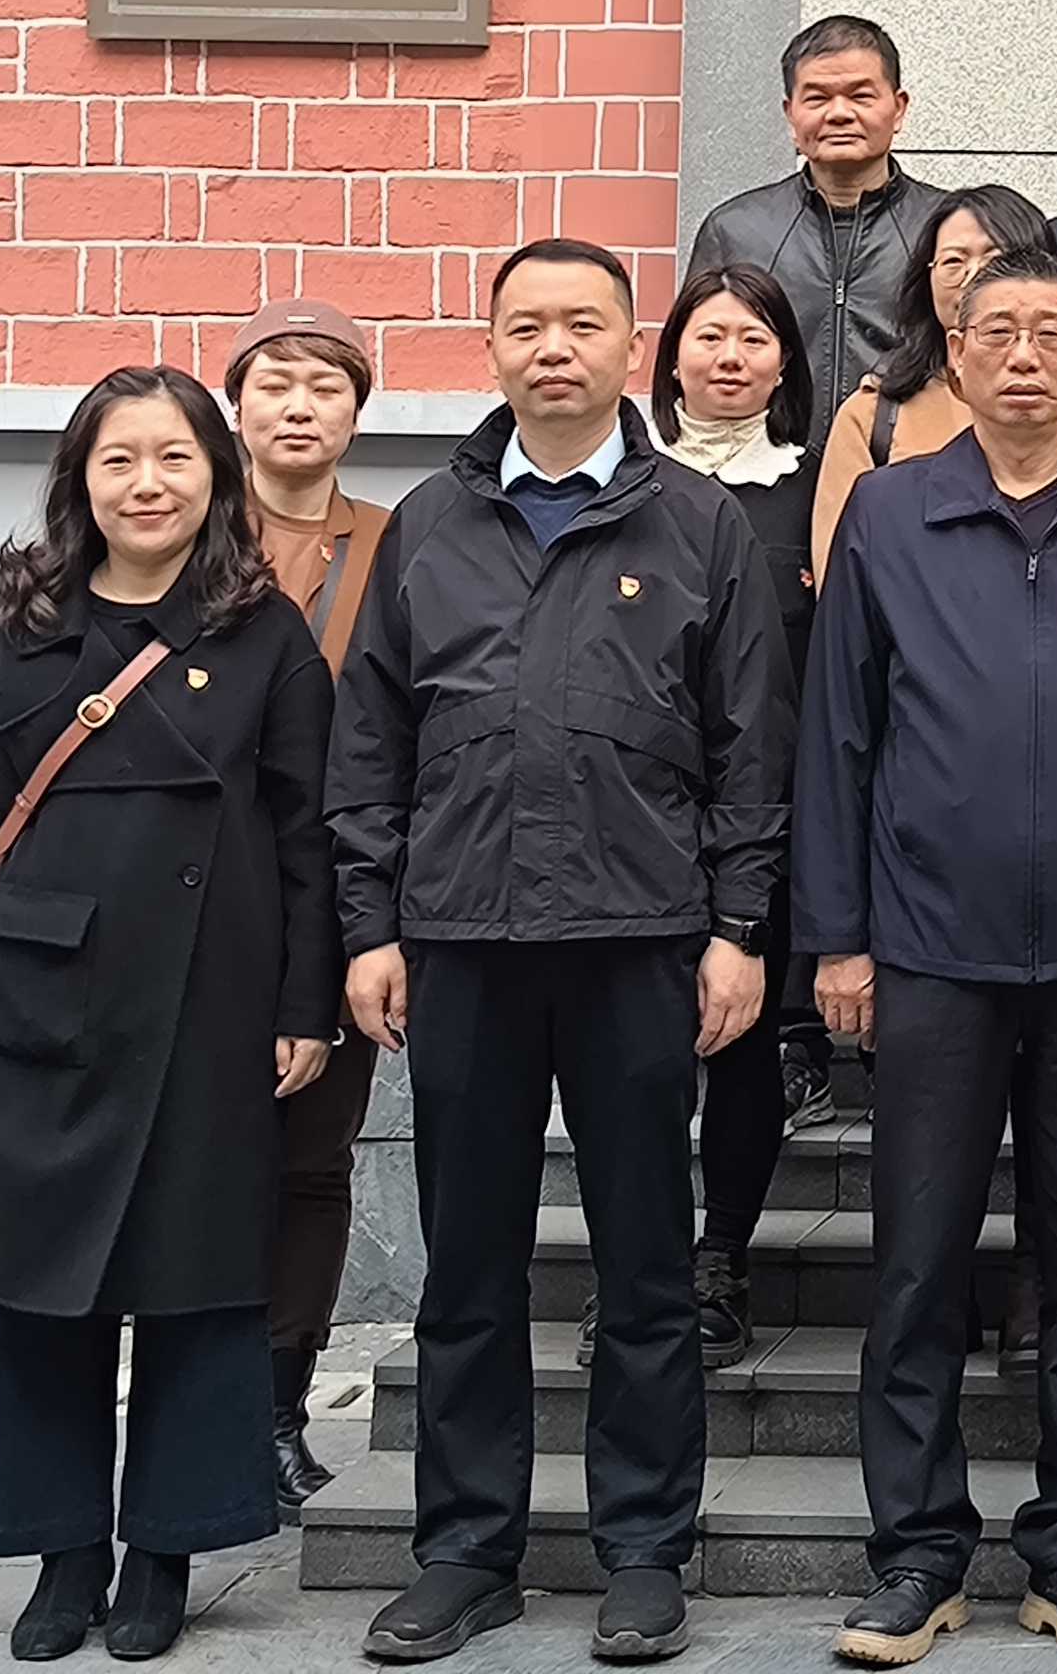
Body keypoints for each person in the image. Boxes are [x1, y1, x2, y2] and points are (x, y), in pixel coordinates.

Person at [327, 240, 791, 1670]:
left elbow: (751, 750)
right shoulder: (428, 527)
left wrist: (737, 929)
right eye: (525, 325)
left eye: (582, 324)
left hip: (639, 940)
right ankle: (466, 1552)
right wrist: (369, 925)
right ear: (490, 348)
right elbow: (371, 743)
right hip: (460, 938)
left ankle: (644, 1553)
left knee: (646, 1269)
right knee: (469, 1268)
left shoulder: (701, 524)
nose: (553, 349)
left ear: (627, 345)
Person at [797, 247, 1057, 1671]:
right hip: (928, 946)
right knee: (916, 1262)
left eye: (1051, 334)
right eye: (998, 333)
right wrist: (838, 936)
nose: (1024, 356)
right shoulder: (892, 512)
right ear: (957, 356)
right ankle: (917, 1552)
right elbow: (838, 734)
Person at [0, 368, 339, 1665]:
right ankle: (59, 1553)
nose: (147, 485)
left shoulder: (264, 635)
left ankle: (165, 1552)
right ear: (79, 481)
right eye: (119, 461)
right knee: (36, 1286)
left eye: (174, 459)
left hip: (211, 1000)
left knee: (200, 1286)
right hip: (35, 998)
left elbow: (307, 836)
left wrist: (306, 1002)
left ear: (216, 475)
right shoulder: (16, 632)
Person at [225, 297, 390, 1512]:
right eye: (275, 383)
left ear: (356, 412)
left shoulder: (395, 544)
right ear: (235, 404)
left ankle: (279, 1411)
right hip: (202, 888)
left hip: (337, 887)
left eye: (325, 386)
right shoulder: (183, 529)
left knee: (310, 1161)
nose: (298, 407)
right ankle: (194, 1404)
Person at [648, 262, 829, 1374]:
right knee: (643, 1056)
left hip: (767, 810)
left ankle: (722, 1256)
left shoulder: (813, 491)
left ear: (785, 365)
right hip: (637, 815)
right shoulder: (627, 483)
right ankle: (644, 1259)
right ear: (671, 355)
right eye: (709, 336)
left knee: (745, 1041)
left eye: (754, 340)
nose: (729, 358)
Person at [812, 184, 1057, 570]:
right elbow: (843, 571)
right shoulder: (873, 415)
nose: (972, 277)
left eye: (995, 260)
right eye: (953, 261)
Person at [685, 13, 932, 435]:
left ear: (898, 108)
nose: (839, 113)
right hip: (767, 464)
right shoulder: (735, 229)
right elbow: (697, 361)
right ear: (790, 113)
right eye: (817, 98)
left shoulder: (945, 230)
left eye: (861, 96)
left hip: (910, 463)